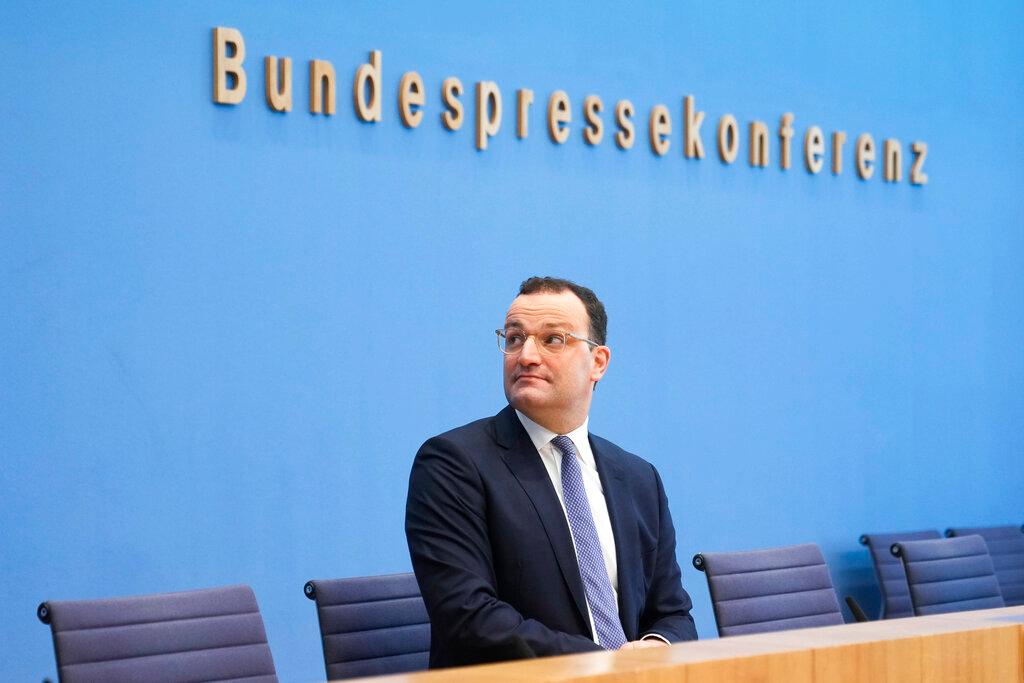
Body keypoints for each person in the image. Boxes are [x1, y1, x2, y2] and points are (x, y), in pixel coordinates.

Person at [405, 276, 697, 668]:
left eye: (552, 339)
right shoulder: (453, 464)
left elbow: (673, 613)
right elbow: (470, 618)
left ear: (598, 362)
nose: (525, 355)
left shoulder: (639, 478)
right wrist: (607, 666)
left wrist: (659, 647)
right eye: (513, 338)